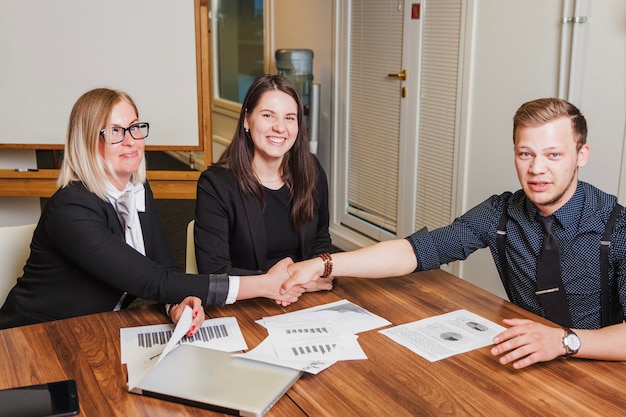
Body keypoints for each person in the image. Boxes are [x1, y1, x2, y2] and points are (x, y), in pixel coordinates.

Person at [281, 97, 626, 369]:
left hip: (599, 370)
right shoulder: (502, 213)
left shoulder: (618, 226)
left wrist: (564, 342)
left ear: (582, 156)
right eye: (526, 154)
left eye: (553, 155)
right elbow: (415, 251)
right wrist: (323, 264)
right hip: (524, 364)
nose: (537, 169)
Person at [0, 88, 305, 332]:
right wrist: (264, 284)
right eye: (115, 131)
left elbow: (166, 271)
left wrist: (177, 305)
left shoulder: (137, 189)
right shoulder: (70, 208)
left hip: (94, 330)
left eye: (135, 128)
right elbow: (153, 282)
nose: (131, 141)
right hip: (32, 338)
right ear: (87, 141)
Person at [194, 74, 333, 291]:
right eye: (268, 115)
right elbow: (215, 271)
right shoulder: (216, 185)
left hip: (304, 296)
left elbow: (321, 240)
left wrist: (312, 276)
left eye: (289, 118)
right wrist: (285, 283)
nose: (280, 127)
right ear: (247, 120)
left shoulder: (310, 170)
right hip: (247, 303)